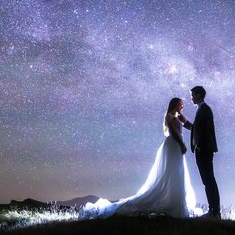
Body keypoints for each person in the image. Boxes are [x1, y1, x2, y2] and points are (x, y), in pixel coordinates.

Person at [83, 98, 199, 218]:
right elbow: (173, 131)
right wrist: (181, 143)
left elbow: (186, 126)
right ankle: (173, 201)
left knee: (177, 171)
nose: (182, 106)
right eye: (180, 104)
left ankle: (175, 200)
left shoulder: (177, 116)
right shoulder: (170, 116)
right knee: (173, 171)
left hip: (176, 145)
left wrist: (184, 121)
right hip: (174, 144)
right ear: (175, 104)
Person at [179, 85, 221, 219]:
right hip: (203, 149)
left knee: (208, 180)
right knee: (208, 180)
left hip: (204, 150)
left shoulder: (204, 109)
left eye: (192, 95)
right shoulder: (202, 109)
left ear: (198, 95)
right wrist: (184, 121)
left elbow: (204, 131)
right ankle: (213, 211)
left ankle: (214, 212)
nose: (191, 98)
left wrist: (200, 147)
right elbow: (197, 129)